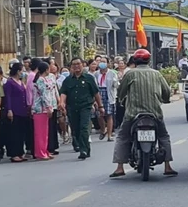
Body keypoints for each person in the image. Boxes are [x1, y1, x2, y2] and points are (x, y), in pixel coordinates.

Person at [109, 48, 177, 178]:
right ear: (148, 60)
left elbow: (121, 91)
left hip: (133, 114)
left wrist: (122, 100)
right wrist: (166, 99)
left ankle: (119, 167)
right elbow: (166, 92)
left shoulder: (130, 74)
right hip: (154, 113)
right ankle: (167, 166)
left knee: (123, 137)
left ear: (134, 60)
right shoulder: (156, 74)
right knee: (163, 137)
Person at [58, 57, 104, 160]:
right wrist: (62, 103)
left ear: (82, 65)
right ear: (71, 67)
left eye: (78, 64)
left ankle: (83, 150)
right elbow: (63, 92)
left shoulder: (89, 78)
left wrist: (100, 106)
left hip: (85, 106)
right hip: (72, 107)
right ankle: (85, 147)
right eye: (74, 64)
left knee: (84, 128)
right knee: (76, 129)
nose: (76, 66)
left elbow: (96, 93)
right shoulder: (68, 80)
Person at [31, 60, 58, 160]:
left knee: (45, 132)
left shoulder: (45, 79)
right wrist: (49, 107)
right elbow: (44, 95)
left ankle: (45, 150)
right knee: (40, 132)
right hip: (40, 109)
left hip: (44, 109)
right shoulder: (40, 80)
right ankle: (40, 152)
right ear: (46, 69)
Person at [2, 61, 29, 163]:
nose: (23, 72)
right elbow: (7, 97)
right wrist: (9, 110)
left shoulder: (21, 82)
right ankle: (14, 153)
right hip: (14, 110)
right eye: (22, 70)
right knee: (14, 133)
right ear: (18, 71)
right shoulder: (9, 83)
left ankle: (20, 152)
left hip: (22, 110)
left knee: (21, 133)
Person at [95, 59, 119, 141]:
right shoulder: (96, 73)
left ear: (108, 63)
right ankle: (103, 129)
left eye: (104, 61)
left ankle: (109, 135)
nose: (102, 63)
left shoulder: (112, 73)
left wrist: (115, 81)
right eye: (101, 61)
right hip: (99, 93)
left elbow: (116, 85)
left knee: (109, 115)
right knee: (99, 114)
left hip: (109, 94)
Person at [47, 60, 61, 155]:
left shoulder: (52, 76)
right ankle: (48, 147)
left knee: (53, 125)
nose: (53, 65)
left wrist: (59, 101)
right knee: (49, 126)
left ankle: (53, 146)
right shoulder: (41, 78)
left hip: (54, 103)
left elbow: (55, 90)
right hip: (47, 105)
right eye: (51, 64)